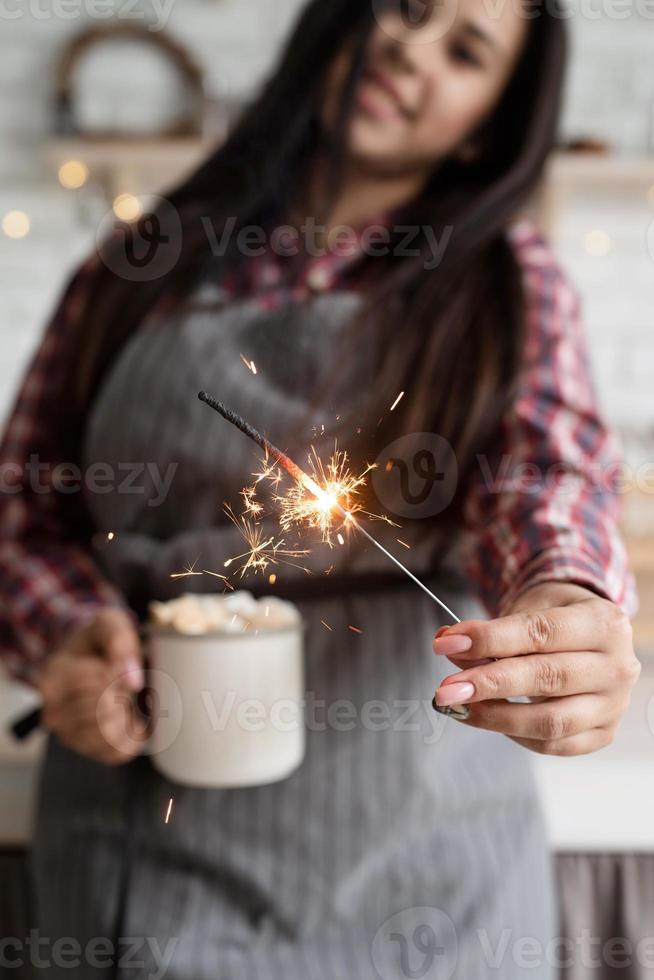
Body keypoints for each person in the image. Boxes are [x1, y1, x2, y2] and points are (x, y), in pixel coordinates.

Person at [0, 0, 641, 977]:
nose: (409, 46)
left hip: (418, 879)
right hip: (132, 865)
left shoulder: (507, 282)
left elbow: (543, 471)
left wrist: (566, 589)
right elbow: (23, 515)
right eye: (407, 8)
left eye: (464, 50)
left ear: (486, 124)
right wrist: (64, 636)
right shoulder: (135, 268)